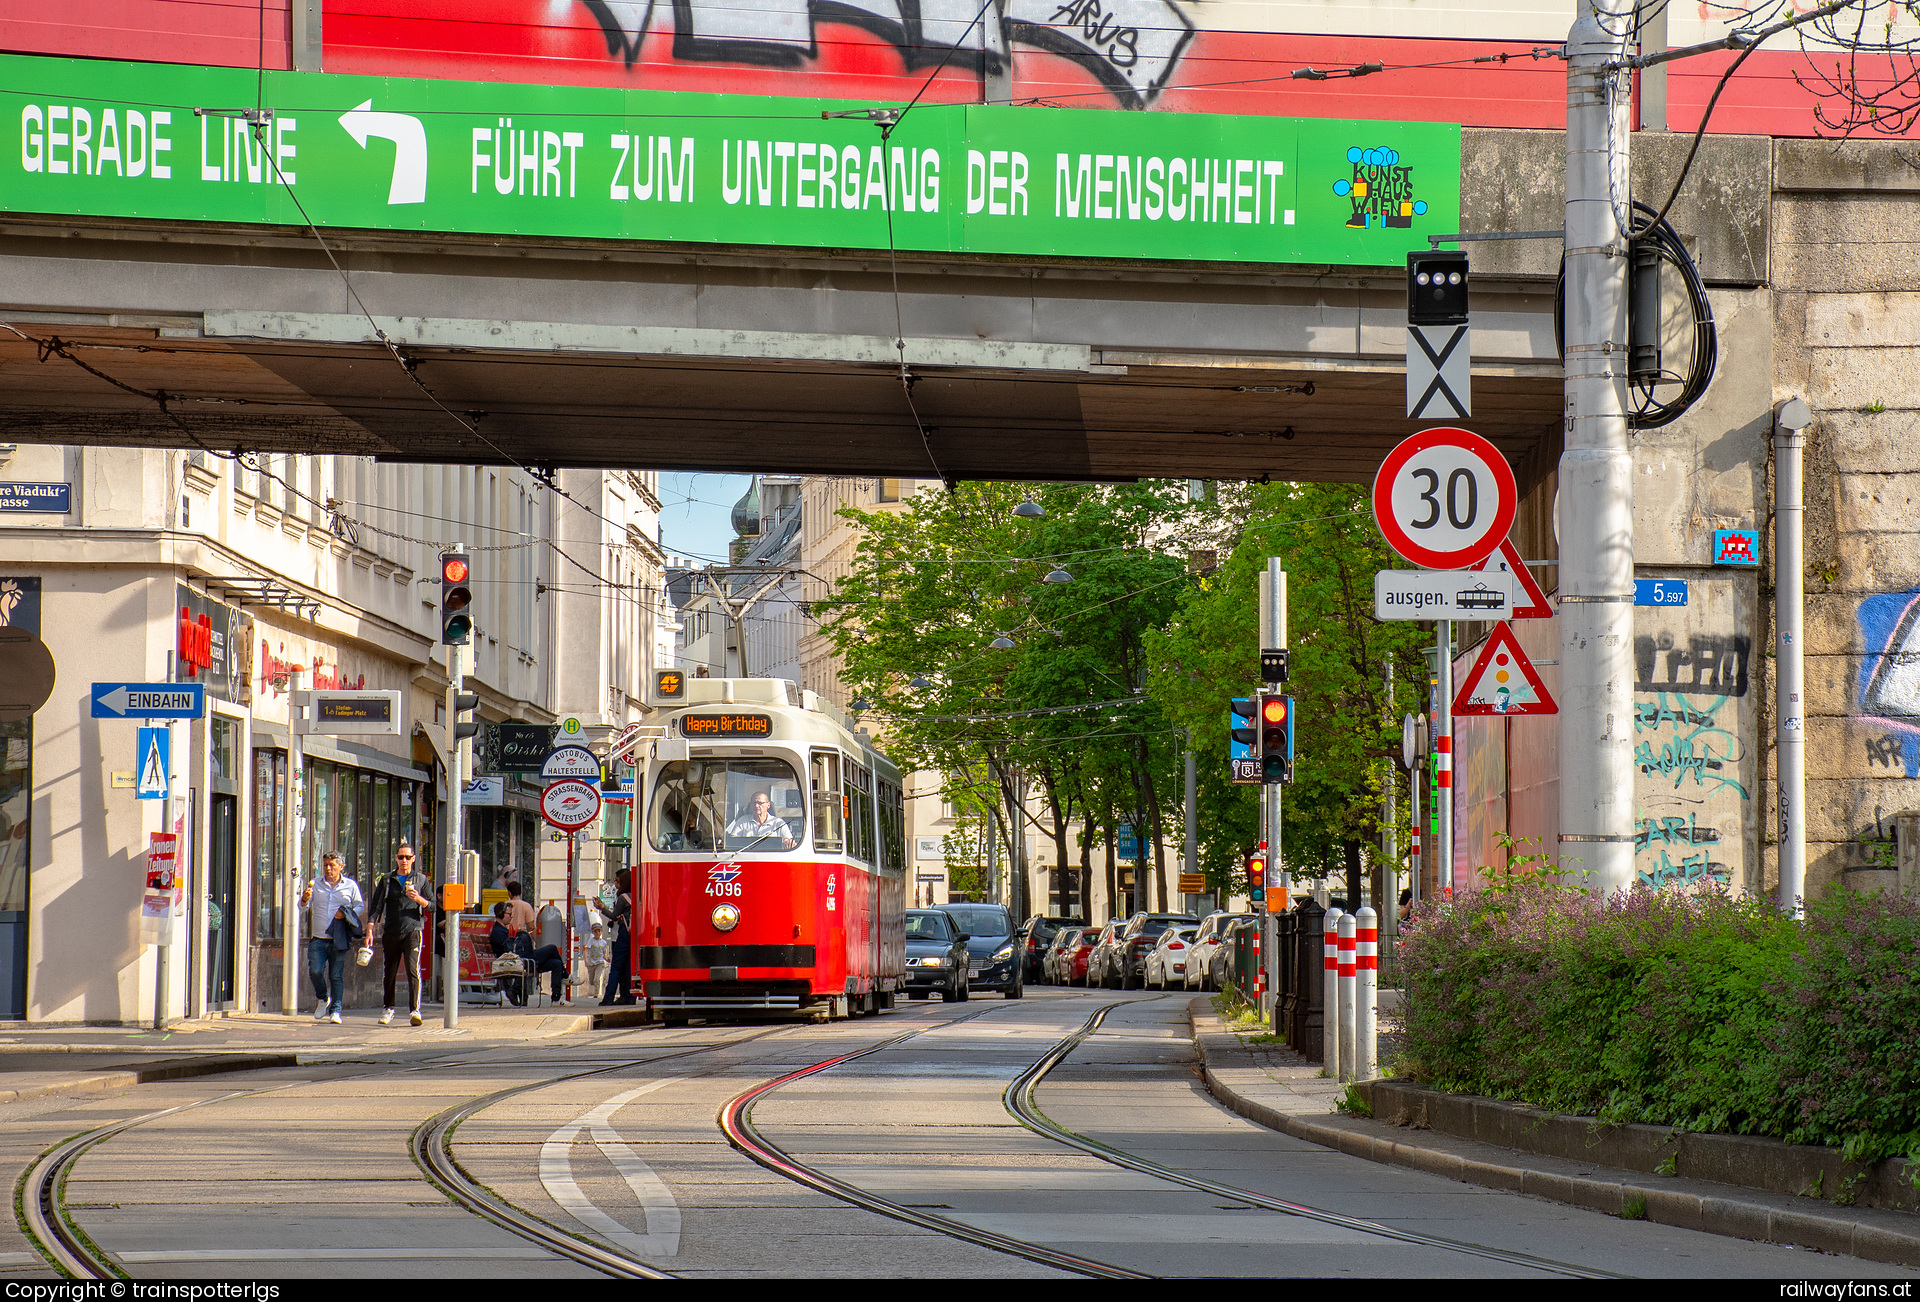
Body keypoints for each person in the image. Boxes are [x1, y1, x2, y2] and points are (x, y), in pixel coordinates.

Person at [369, 844, 430, 1026]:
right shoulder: (388, 880)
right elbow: (377, 906)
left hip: (412, 929)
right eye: (401, 857)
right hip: (392, 930)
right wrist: (370, 928)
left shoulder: (420, 880)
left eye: (407, 857)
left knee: (413, 970)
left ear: (413, 859)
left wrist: (419, 899)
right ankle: (389, 1008)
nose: (404, 861)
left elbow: (433, 905)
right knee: (390, 971)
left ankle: (415, 1011)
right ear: (396, 858)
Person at [301, 852, 363, 1024]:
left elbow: (359, 906)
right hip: (318, 938)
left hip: (339, 938)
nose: (328, 869)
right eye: (326, 865)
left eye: (332, 865)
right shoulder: (316, 883)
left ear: (341, 867)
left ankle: (336, 1011)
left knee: (336, 976)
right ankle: (322, 998)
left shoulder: (350, 885)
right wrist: (305, 899)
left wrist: (346, 914)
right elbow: (302, 907)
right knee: (315, 971)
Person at [488, 901, 566, 1006]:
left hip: (523, 960)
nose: (511, 917)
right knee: (552, 948)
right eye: (509, 914)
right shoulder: (498, 932)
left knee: (556, 963)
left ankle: (556, 998)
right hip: (522, 961)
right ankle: (565, 976)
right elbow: (509, 950)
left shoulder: (501, 929)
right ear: (501, 914)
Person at [597, 868, 633, 1005]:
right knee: (629, 966)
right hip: (633, 934)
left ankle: (608, 997)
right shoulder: (635, 895)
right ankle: (629, 997)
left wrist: (602, 908)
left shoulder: (623, 898)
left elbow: (613, 915)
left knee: (616, 966)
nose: (616, 885)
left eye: (618, 882)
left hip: (624, 933)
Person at [724, 791, 795, 850]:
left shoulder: (778, 823)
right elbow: (733, 841)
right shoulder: (742, 821)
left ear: (768, 805)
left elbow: (789, 842)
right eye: (754, 803)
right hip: (747, 858)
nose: (756, 806)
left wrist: (788, 843)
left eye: (760, 803)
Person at [584, 923, 610, 1002]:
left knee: (597, 978)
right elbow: (586, 951)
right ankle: (595, 989)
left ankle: (596, 993)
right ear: (593, 933)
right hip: (592, 963)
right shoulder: (591, 941)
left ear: (601, 932)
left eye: (599, 931)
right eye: (595, 932)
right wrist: (586, 960)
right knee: (591, 980)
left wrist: (607, 959)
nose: (597, 933)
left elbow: (604, 954)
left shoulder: (604, 943)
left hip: (600, 963)